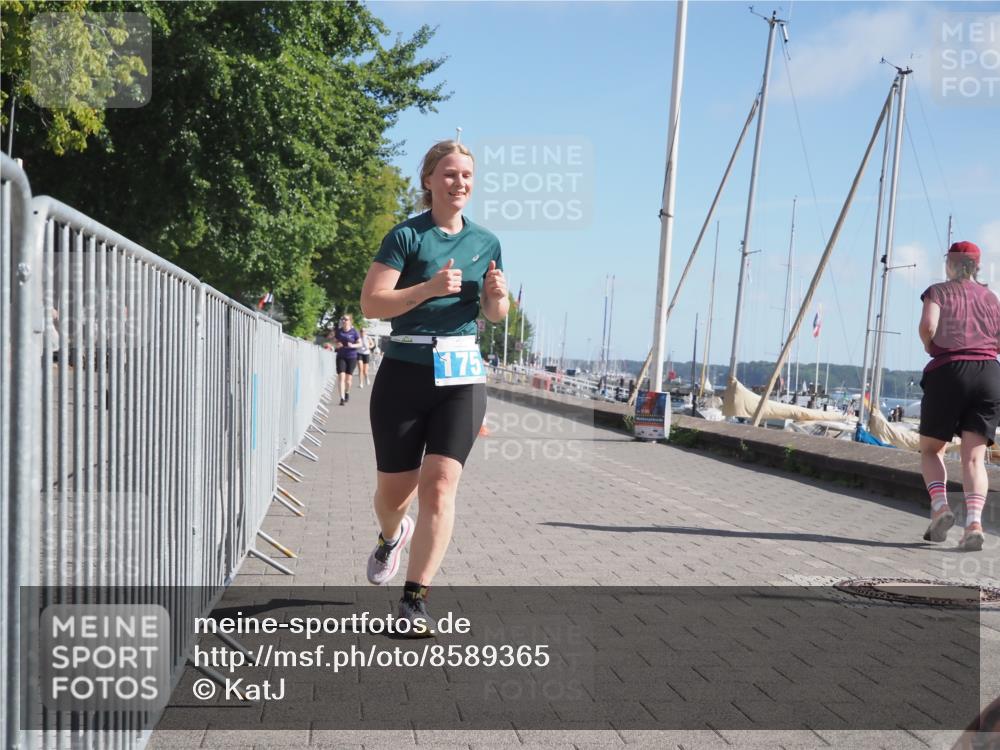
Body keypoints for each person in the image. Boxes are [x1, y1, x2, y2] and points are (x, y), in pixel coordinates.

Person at [360, 139, 507, 633]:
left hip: (462, 371)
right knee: (394, 494)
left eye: (466, 174)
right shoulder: (406, 236)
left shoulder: (487, 241)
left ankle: (414, 600)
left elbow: (494, 315)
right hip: (405, 367)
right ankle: (389, 536)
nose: (459, 182)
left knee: (440, 486)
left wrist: (495, 299)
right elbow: (373, 304)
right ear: (428, 181)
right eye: (449, 174)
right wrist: (426, 288)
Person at [918, 241, 1000, 551]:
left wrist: (930, 345)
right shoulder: (991, 298)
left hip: (949, 371)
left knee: (931, 449)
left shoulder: (938, 291)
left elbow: (928, 325)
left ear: (950, 264)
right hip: (990, 374)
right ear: (977, 266)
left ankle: (941, 506)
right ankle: (974, 524)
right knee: (974, 458)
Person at [334, 314, 362, 405]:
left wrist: (352, 345)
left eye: (346, 319)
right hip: (341, 356)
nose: (343, 321)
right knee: (341, 377)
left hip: (352, 357)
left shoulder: (354, 332)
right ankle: (341, 398)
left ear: (350, 321)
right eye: (342, 319)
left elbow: (360, 344)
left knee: (348, 381)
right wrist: (336, 345)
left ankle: (347, 392)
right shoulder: (339, 331)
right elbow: (334, 342)